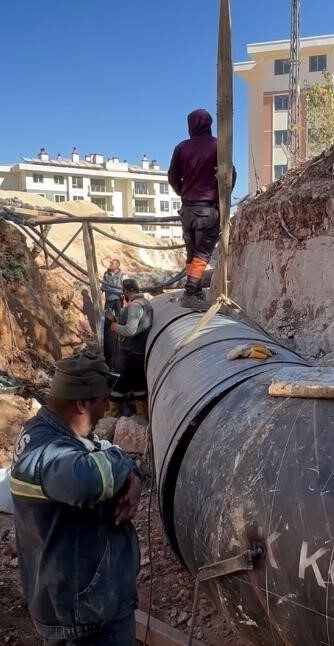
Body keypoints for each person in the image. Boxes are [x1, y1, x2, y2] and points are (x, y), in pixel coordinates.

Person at [11, 349, 142, 645]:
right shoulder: (47, 452)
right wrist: (122, 460)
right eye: (102, 401)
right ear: (82, 403)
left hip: (85, 597)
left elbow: (101, 453)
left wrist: (133, 478)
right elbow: (89, 480)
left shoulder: (55, 432)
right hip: (84, 614)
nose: (106, 408)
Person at [167, 108, 235, 310]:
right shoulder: (217, 146)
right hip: (206, 210)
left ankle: (194, 292)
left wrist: (183, 191)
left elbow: (172, 176)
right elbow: (230, 175)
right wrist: (221, 192)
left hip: (187, 210)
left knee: (192, 253)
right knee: (202, 253)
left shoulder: (181, 148)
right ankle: (191, 293)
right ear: (209, 124)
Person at [108, 279, 153, 420]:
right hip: (138, 352)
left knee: (119, 385)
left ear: (126, 291)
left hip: (130, 353)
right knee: (138, 385)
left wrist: (113, 326)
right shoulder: (147, 304)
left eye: (124, 292)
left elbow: (130, 329)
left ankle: (111, 416)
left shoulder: (135, 306)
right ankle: (142, 418)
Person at [101, 260, 124, 362]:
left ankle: (118, 335)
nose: (109, 264)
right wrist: (101, 291)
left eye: (112, 263)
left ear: (117, 265)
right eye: (110, 263)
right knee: (107, 318)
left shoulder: (122, 275)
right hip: (109, 298)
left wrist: (123, 295)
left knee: (119, 317)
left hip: (118, 299)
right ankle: (107, 335)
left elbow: (123, 287)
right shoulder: (106, 273)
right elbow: (103, 285)